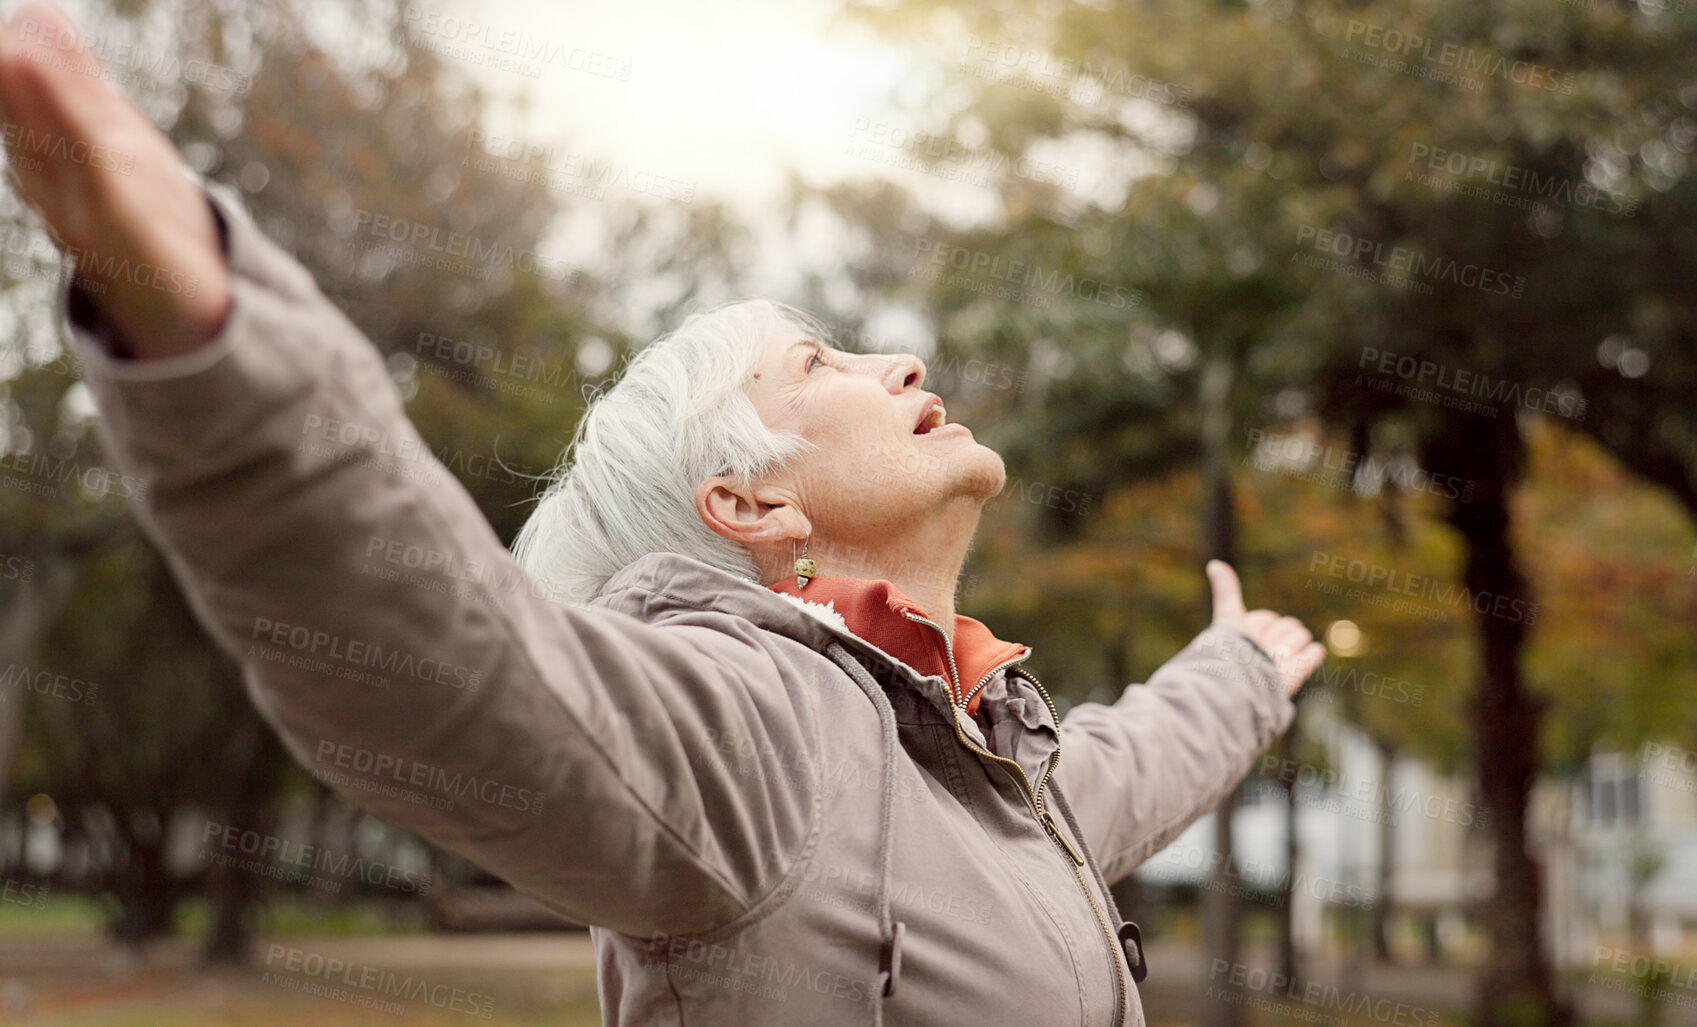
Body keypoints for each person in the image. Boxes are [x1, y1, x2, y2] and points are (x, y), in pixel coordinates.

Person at [0, 3, 1328, 1024]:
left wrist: (1242, 672)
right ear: (744, 500)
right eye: (822, 366)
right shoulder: (755, 736)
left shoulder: (988, 756)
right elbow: (442, 667)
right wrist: (223, 361)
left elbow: (1131, 760)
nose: (903, 366)